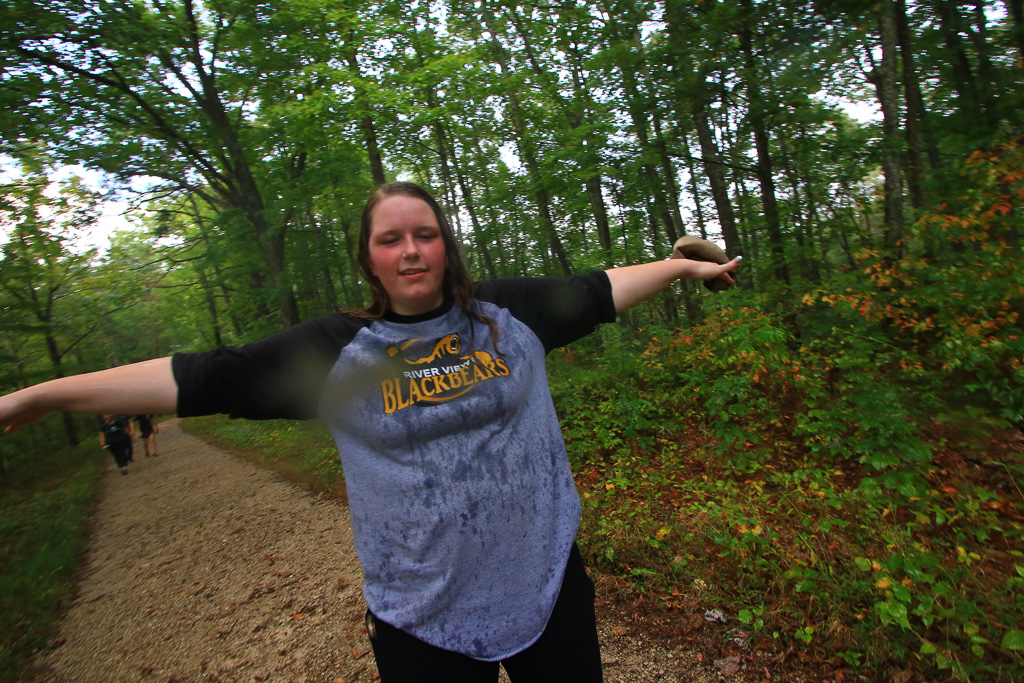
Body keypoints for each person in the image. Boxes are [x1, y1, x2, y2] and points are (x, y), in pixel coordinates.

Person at [0, 182, 740, 682]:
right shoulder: (336, 355)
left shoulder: (508, 316)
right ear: (370, 259)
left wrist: (679, 269)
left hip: (547, 588)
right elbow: (199, 375)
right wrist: (34, 395)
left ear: (445, 245)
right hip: (424, 621)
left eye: (425, 234)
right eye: (391, 240)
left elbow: (603, 288)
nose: (411, 250)